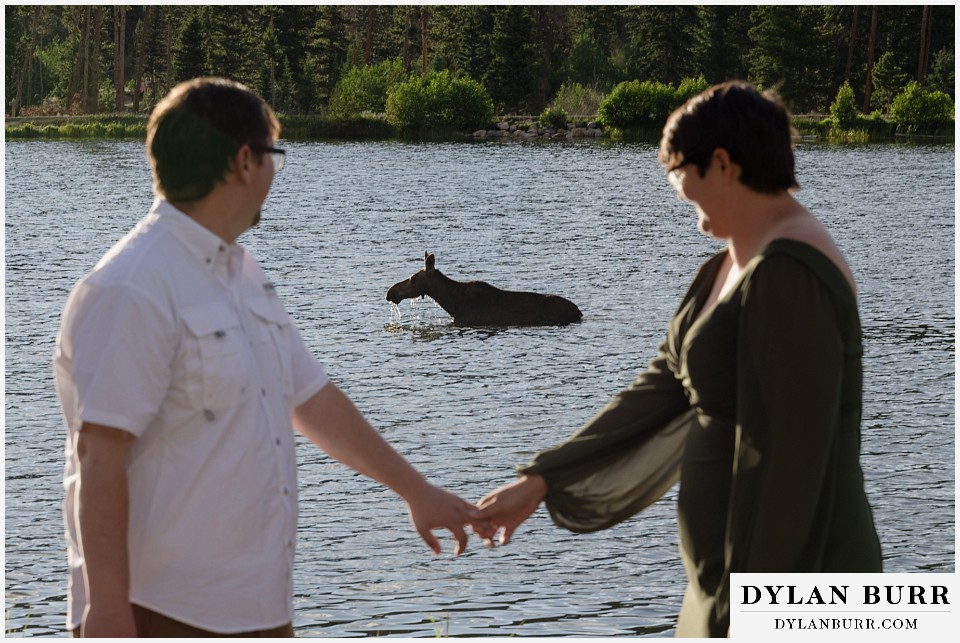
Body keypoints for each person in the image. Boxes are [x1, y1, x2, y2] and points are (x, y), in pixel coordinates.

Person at [54, 77, 476, 638]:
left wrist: (415, 490)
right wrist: (105, 611)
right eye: (275, 156)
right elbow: (98, 460)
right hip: (158, 615)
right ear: (245, 162)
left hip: (256, 612)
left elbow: (313, 401)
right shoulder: (131, 288)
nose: (277, 175)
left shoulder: (243, 276)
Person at [471, 81, 883, 637]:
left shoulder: (791, 275)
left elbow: (794, 464)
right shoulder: (726, 266)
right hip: (723, 587)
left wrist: (754, 616)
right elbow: (661, 387)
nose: (672, 186)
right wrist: (544, 479)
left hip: (795, 590)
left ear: (721, 163)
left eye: (676, 170)